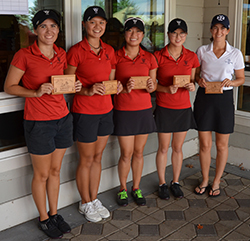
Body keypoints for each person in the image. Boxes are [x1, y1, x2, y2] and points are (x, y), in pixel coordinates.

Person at [4, 10, 82, 239]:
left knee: (56, 170)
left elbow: (65, 82)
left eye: (53, 26)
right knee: (42, 174)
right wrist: (35, 92)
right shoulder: (24, 55)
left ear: (59, 30)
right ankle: (44, 218)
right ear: (36, 30)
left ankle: (55, 213)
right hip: (39, 122)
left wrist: (74, 87)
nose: (50, 31)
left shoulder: (61, 53)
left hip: (62, 118)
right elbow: (10, 87)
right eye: (44, 26)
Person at [65, 6, 122, 222]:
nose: (97, 27)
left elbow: (111, 79)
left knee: (98, 157)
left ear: (105, 26)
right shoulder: (76, 51)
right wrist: (87, 90)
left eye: (101, 23)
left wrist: (114, 87)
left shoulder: (109, 51)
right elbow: (67, 83)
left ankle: (94, 198)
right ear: (84, 25)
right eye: (92, 22)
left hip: (106, 110)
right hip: (85, 112)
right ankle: (85, 202)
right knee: (86, 159)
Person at [193, 14, 245, 197]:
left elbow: (241, 79)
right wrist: (199, 80)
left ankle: (216, 181)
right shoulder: (202, 51)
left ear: (228, 31)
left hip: (224, 101)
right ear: (211, 30)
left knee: (222, 145)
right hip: (204, 99)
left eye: (223, 28)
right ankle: (205, 179)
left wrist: (231, 82)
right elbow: (196, 74)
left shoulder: (235, 53)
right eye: (215, 28)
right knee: (205, 145)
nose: (219, 31)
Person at [113, 17, 158, 206]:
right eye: (130, 31)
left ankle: (136, 187)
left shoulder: (149, 57)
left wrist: (150, 86)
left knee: (139, 152)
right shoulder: (115, 56)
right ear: (125, 34)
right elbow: (111, 85)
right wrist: (123, 87)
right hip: (123, 109)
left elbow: (154, 85)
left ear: (143, 35)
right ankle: (122, 189)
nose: (134, 35)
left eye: (138, 31)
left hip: (144, 110)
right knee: (126, 152)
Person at [154, 18, 200, 200]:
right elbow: (152, 85)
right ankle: (161, 183)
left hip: (183, 107)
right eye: (174, 32)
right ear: (168, 34)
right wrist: (165, 88)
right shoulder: (158, 56)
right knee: (163, 148)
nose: (178, 36)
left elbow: (193, 79)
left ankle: (175, 182)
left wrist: (192, 85)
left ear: (186, 35)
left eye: (182, 33)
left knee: (177, 147)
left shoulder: (191, 56)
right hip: (164, 107)